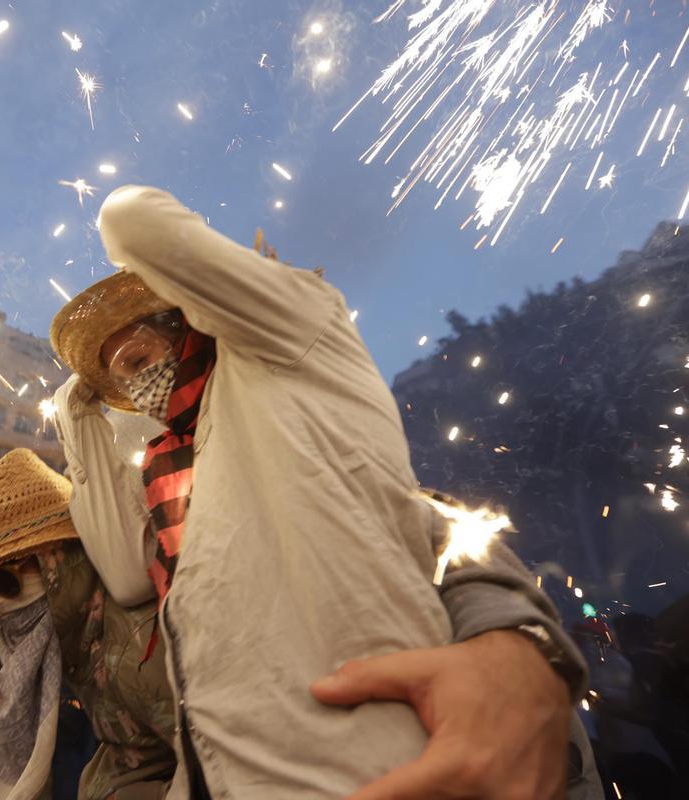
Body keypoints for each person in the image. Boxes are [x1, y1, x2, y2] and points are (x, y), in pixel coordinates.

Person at [48, 184, 603, 798]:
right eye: (121, 373)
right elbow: (131, 576)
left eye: (139, 354)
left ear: (188, 321)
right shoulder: (167, 467)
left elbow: (413, 524)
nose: (139, 381)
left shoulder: (280, 370)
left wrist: (516, 642)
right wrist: (76, 415)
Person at [0, 447, 177, 800]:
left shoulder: (133, 650)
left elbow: (226, 767)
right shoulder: (75, 632)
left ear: (56, 558)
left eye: (7, 581)